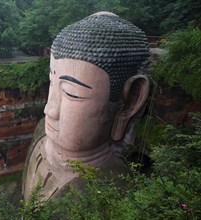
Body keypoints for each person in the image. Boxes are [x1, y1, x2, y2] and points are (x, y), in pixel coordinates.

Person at [22, 12, 150, 200]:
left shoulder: (113, 189)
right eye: (51, 82)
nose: (49, 109)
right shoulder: (41, 132)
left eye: (71, 93)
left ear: (129, 102)